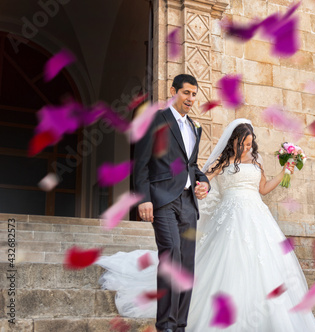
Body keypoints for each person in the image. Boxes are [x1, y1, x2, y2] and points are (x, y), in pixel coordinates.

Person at [96, 119, 315, 332]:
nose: (246, 148)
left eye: (250, 144)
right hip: (231, 216)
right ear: (233, 141)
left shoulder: (256, 162)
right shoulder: (221, 162)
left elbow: (263, 189)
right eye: (242, 144)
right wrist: (201, 188)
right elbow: (201, 181)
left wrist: (285, 170)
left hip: (259, 216)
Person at [132, 73, 210, 332]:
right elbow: (141, 162)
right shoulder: (156, 119)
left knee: (187, 265)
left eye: (194, 94)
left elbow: (193, 166)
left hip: (188, 203)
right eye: (186, 93)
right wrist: (144, 199)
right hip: (163, 200)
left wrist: (204, 182)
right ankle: (165, 326)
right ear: (173, 91)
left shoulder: (195, 128)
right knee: (171, 256)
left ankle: (180, 326)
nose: (190, 98)